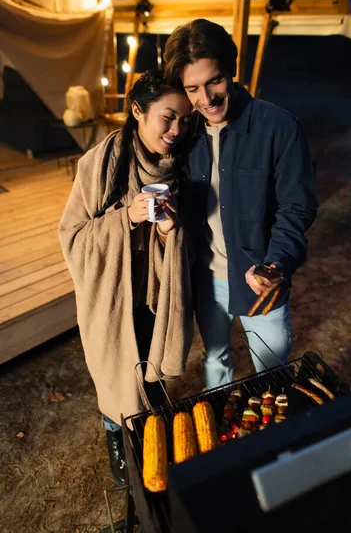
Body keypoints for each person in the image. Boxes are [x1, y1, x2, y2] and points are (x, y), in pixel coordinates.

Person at [163, 18, 318, 390]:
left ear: (231, 71)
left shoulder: (278, 126)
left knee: (272, 369)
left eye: (214, 81)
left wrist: (275, 263)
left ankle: (274, 444)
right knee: (215, 357)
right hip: (206, 276)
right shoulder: (186, 133)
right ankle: (225, 441)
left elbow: (296, 207)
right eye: (193, 89)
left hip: (261, 277)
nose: (207, 99)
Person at [58, 69, 194, 485]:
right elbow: (73, 238)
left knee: (151, 371)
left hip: (153, 291)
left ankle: (152, 434)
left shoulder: (185, 164)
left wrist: (171, 232)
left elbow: (189, 231)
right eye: (167, 117)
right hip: (110, 293)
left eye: (185, 120)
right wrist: (124, 219)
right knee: (116, 375)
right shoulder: (98, 164)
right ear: (137, 111)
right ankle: (117, 438)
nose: (176, 129)